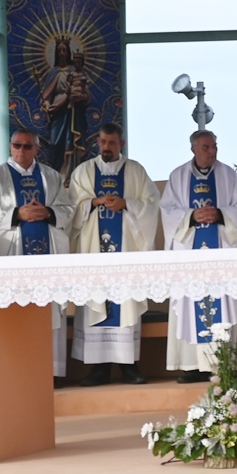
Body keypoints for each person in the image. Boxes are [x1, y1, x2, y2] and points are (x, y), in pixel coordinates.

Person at [159, 129, 237, 383]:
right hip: (190, 255)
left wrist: (222, 215)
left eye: (214, 147)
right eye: (206, 147)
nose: (212, 151)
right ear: (193, 148)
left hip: (222, 253)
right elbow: (167, 212)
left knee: (226, 301)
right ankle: (192, 365)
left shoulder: (229, 176)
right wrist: (191, 216)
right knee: (191, 302)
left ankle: (230, 363)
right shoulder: (177, 176)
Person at [68, 123, 160, 386]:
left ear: (122, 144)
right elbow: (70, 208)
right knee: (98, 302)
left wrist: (127, 204)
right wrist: (93, 202)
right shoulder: (84, 171)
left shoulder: (135, 171)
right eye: (102, 142)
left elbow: (153, 204)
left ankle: (129, 366)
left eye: (111, 142)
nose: (106, 147)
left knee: (125, 303)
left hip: (125, 253)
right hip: (94, 254)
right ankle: (98, 369)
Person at [0, 129, 73, 380]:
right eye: (17, 145)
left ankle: (49, 371)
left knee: (48, 307)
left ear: (36, 149)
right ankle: (16, 371)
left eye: (27, 146)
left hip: (47, 255)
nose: (22, 151)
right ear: (10, 147)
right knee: (15, 308)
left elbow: (68, 208)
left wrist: (49, 213)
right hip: (12, 255)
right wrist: (16, 215)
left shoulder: (51, 177)